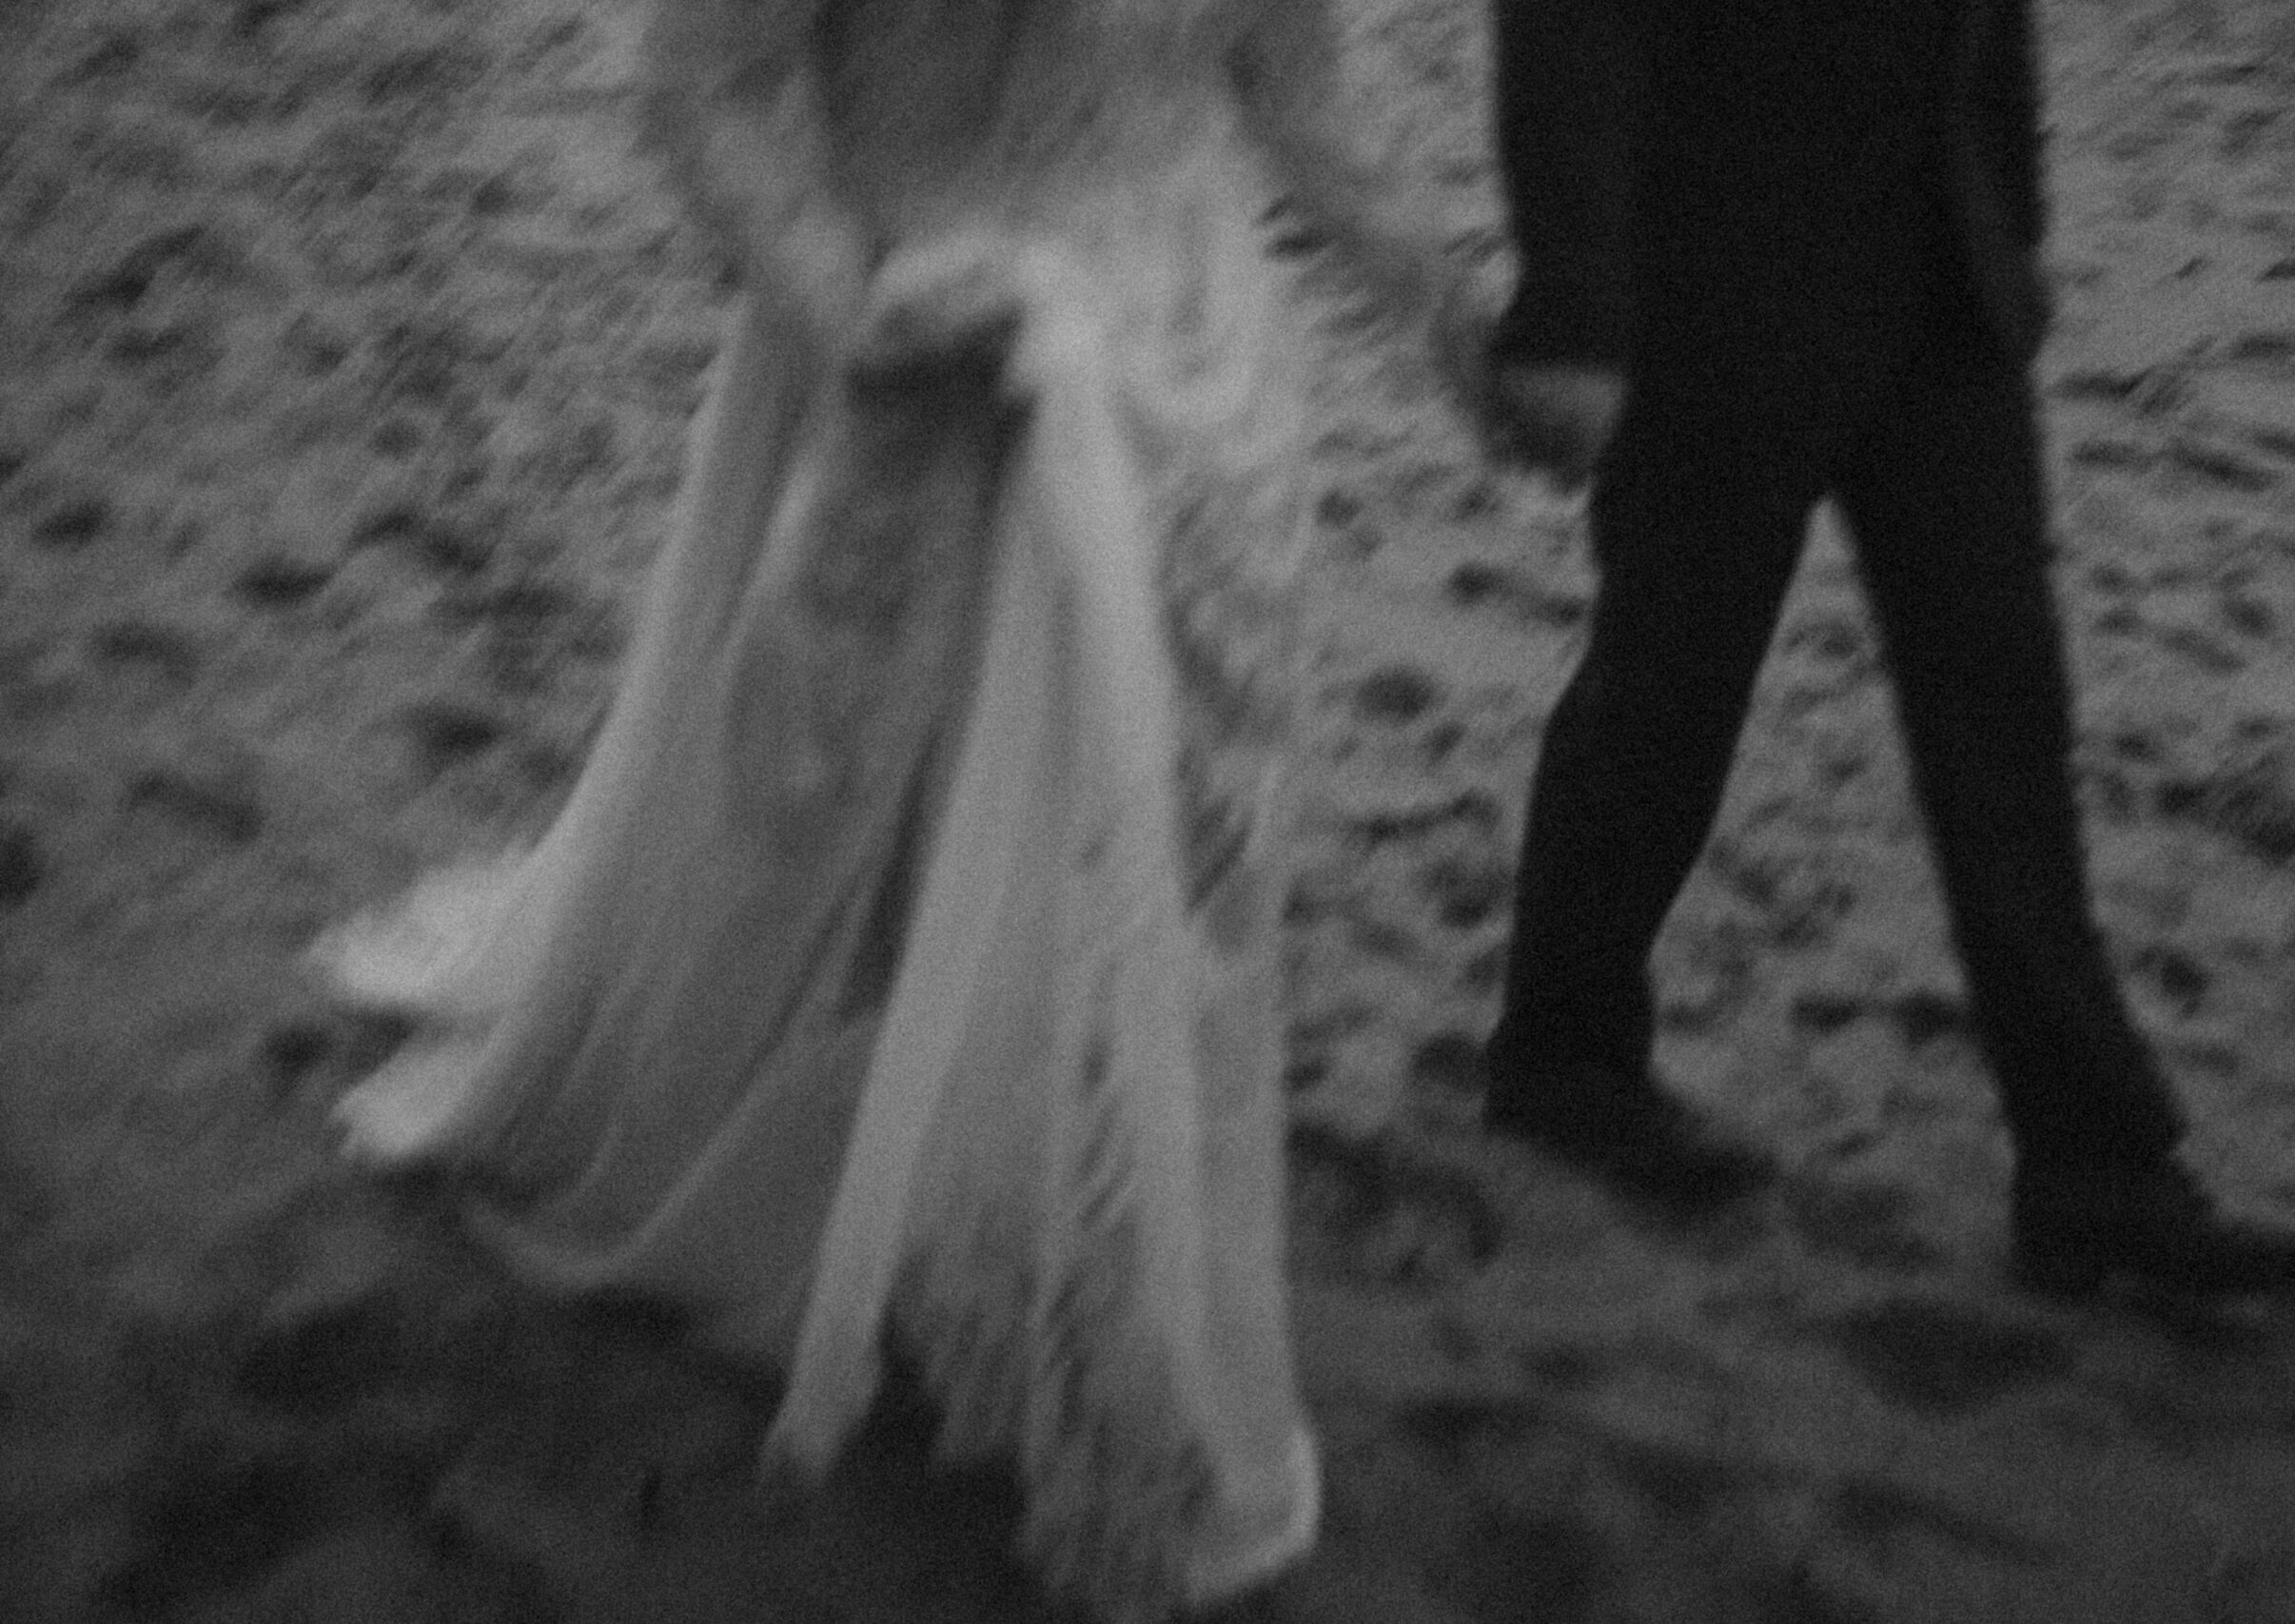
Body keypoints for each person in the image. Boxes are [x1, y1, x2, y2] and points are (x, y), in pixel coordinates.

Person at [308, 2, 1455, 1617]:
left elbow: (1288, 90)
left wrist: (1450, 297)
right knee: (880, 824)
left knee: (1164, 855)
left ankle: (1093, 1232)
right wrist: (856, 321)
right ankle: (916, 1183)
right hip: (924, 353)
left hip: (1200, 373)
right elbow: (704, 83)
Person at [1474, 0, 2295, 1333]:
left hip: (1942, 281)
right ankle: (1564, 1052)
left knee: (2005, 703)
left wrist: (2013, 220)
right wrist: (1575, 302)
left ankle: (2096, 1162)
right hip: (1717, 279)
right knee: (1670, 684)